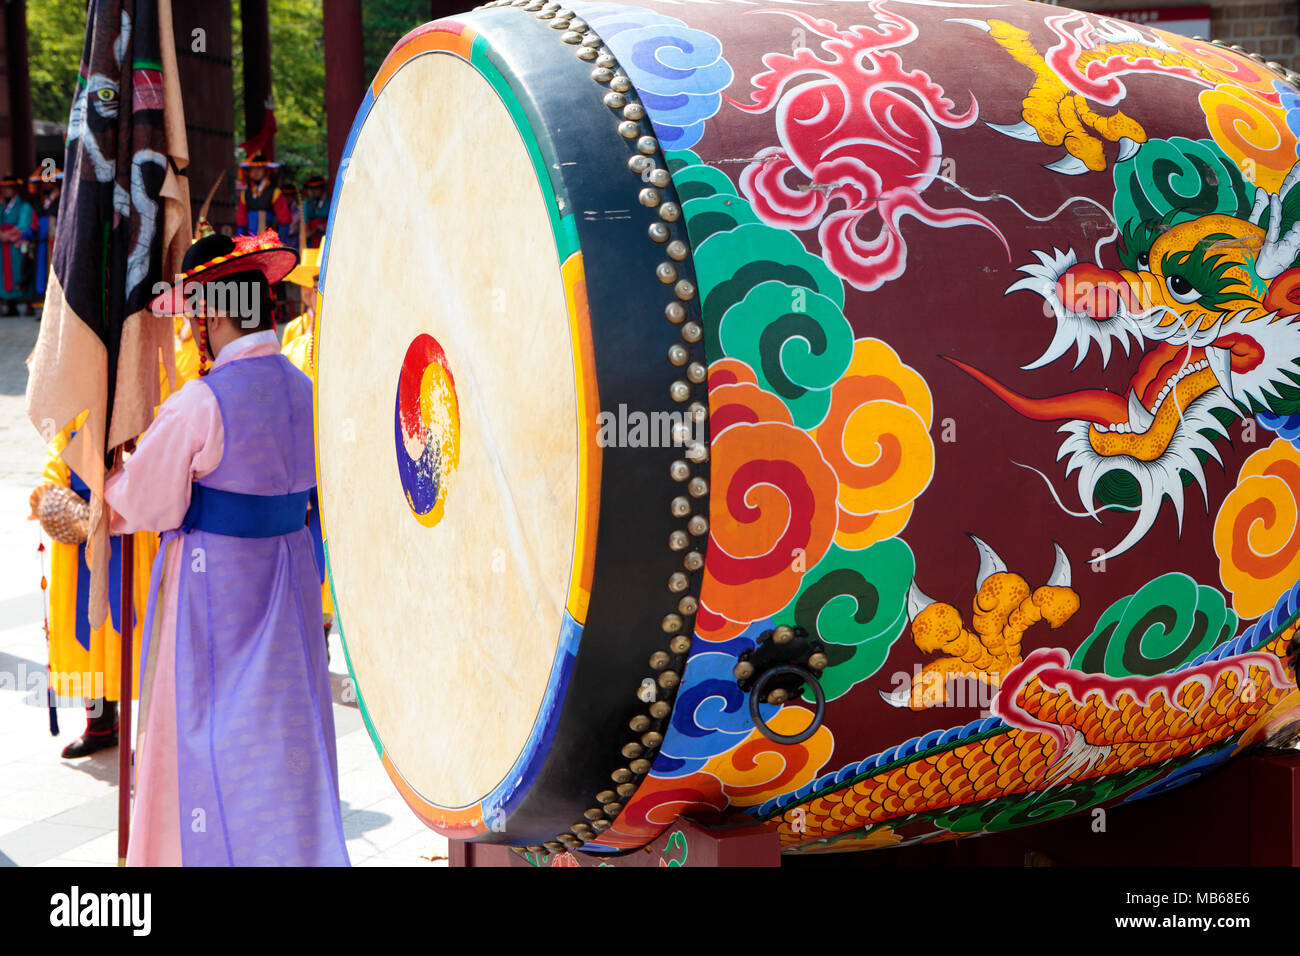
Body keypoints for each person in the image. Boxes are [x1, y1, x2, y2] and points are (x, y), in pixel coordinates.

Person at [104, 229, 349, 866]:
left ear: (213, 314)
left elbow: (144, 502)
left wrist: (104, 480)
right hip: (290, 577)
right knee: (282, 734)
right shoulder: (308, 388)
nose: (190, 330)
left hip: (215, 588)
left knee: (201, 732)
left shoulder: (201, 401)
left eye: (193, 315)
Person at [32, 414, 156, 757]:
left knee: (133, 635)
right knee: (89, 631)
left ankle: (148, 733)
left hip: (130, 523)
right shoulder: (76, 398)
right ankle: (101, 724)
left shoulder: (145, 382)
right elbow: (57, 454)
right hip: (79, 524)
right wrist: (57, 498)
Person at [279, 246, 334, 640]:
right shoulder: (294, 346)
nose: (316, 291)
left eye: (322, 283)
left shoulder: (345, 345)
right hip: (300, 473)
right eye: (313, 285)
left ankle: (328, 626)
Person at [0, 175, 35, 316]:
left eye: (10, 187)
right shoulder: (2, 206)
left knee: (20, 271)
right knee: (4, 273)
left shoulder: (24, 206)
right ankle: (10, 304)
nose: (6, 190)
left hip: (16, 245)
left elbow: (24, 225)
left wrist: (6, 236)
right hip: (3, 246)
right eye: (4, 187)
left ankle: (28, 303)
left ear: (15, 189)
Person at [28, 169, 61, 311]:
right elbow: (34, 222)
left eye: (48, 182)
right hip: (41, 243)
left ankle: (57, 307)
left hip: (55, 242)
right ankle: (42, 306)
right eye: (42, 183)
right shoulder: (40, 201)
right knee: (40, 274)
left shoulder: (62, 198)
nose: (45, 185)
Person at [234, 154, 290, 238]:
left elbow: (284, 220)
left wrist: (282, 243)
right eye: (253, 168)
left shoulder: (275, 192)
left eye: (259, 168)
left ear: (266, 170)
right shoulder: (245, 193)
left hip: (269, 241)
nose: (256, 171)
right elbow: (241, 221)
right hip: (250, 242)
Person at [302, 175, 329, 248]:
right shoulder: (307, 205)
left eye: (316, 189)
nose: (313, 192)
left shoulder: (329, 202)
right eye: (311, 189)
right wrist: (316, 229)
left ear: (322, 189)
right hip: (312, 243)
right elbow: (305, 234)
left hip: (325, 241)